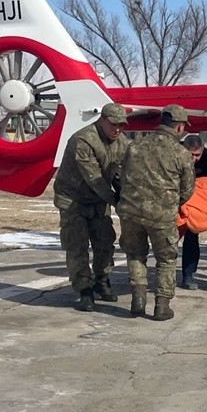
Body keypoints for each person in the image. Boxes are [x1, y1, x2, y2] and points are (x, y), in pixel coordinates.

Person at [117, 104, 196, 321]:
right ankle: (162, 306)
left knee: (135, 254)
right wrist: (170, 203)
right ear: (179, 127)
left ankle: (138, 300)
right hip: (161, 216)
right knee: (166, 259)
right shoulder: (181, 153)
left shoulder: (134, 147)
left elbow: (123, 179)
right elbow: (188, 189)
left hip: (130, 212)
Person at [52, 102, 129, 312]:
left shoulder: (121, 143)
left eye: (121, 125)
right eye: (113, 124)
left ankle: (102, 280)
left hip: (97, 199)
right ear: (102, 120)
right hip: (73, 198)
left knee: (105, 241)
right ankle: (84, 289)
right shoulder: (84, 140)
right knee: (77, 245)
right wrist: (117, 203)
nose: (117, 129)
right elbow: (94, 178)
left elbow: (121, 175)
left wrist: (126, 197)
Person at [179, 134, 207, 290]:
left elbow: (205, 185)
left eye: (197, 155)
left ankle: (188, 274)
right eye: (191, 155)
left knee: (192, 236)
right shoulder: (174, 153)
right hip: (172, 198)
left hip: (193, 200)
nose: (194, 159)